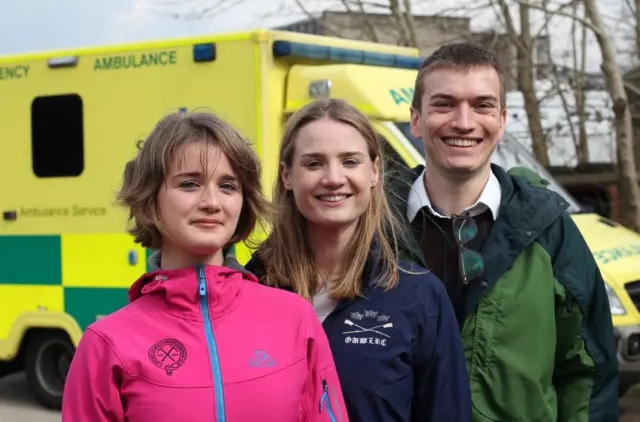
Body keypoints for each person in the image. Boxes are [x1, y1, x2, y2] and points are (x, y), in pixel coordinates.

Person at [61, 111, 349, 422]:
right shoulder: (106, 343)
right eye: (189, 184)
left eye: (228, 186)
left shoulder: (296, 318)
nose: (212, 202)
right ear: (150, 199)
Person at [386, 42, 619, 421]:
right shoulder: (372, 227)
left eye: (482, 105)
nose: (464, 121)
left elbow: (588, 373)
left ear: (502, 120)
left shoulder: (547, 229)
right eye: (444, 104)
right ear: (415, 119)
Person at [246, 98, 472, 422]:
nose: (333, 178)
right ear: (287, 176)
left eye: (350, 162)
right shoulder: (250, 291)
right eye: (313, 164)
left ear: (374, 172)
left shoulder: (419, 297)